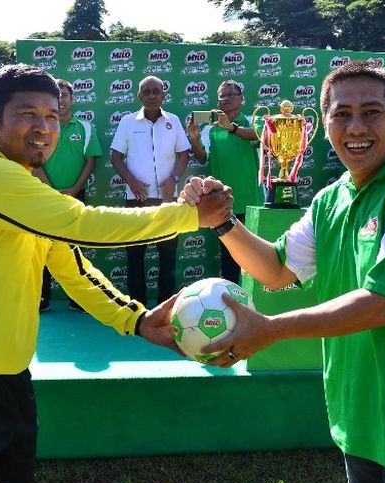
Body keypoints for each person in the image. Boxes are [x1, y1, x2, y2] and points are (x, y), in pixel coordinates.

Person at [0, 64, 231, 483]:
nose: (44, 128)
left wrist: (135, 319)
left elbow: (74, 270)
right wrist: (189, 216)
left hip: (11, 377)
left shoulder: (27, 190)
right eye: (27, 114)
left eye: (52, 116)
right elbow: (83, 223)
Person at [183, 61, 385, 483]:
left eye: (372, 112)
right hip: (357, 409)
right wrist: (222, 220)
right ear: (324, 124)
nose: (355, 126)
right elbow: (274, 270)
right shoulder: (331, 198)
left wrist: (271, 330)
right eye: (341, 114)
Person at [110, 75, 190, 305]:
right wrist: (132, 183)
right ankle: (137, 305)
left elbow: (183, 154)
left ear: (164, 95)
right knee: (134, 254)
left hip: (167, 200)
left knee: (168, 255)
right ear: (139, 96)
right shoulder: (127, 122)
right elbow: (115, 157)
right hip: (136, 199)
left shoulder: (173, 121)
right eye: (147, 91)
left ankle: (167, 304)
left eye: (157, 91)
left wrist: (173, 179)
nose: (152, 95)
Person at [32, 78, 103, 312]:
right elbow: (33, 161)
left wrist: (74, 189)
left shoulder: (85, 126)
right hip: (43, 195)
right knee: (41, 245)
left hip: (75, 195)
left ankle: (78, 298)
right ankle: (42, 298)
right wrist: (50, 190)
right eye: (56, 95)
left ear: (72, 99)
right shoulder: (40, 127)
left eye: (64, 94)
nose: (61, 99)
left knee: (76, 249)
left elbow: (91, 160)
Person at [187, 80, 264, 284]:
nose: (226, 98)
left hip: (251, 202)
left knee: (255, 256)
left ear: (242, 98)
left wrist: (231, 127)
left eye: (231, 94)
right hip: (222, 202)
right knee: (229, 257)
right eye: (222, 95)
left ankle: (253, 302)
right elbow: (203, 158)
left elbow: (259, 137)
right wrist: (194, 139)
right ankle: (232, 301)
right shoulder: (209, 129)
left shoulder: (253, 121)